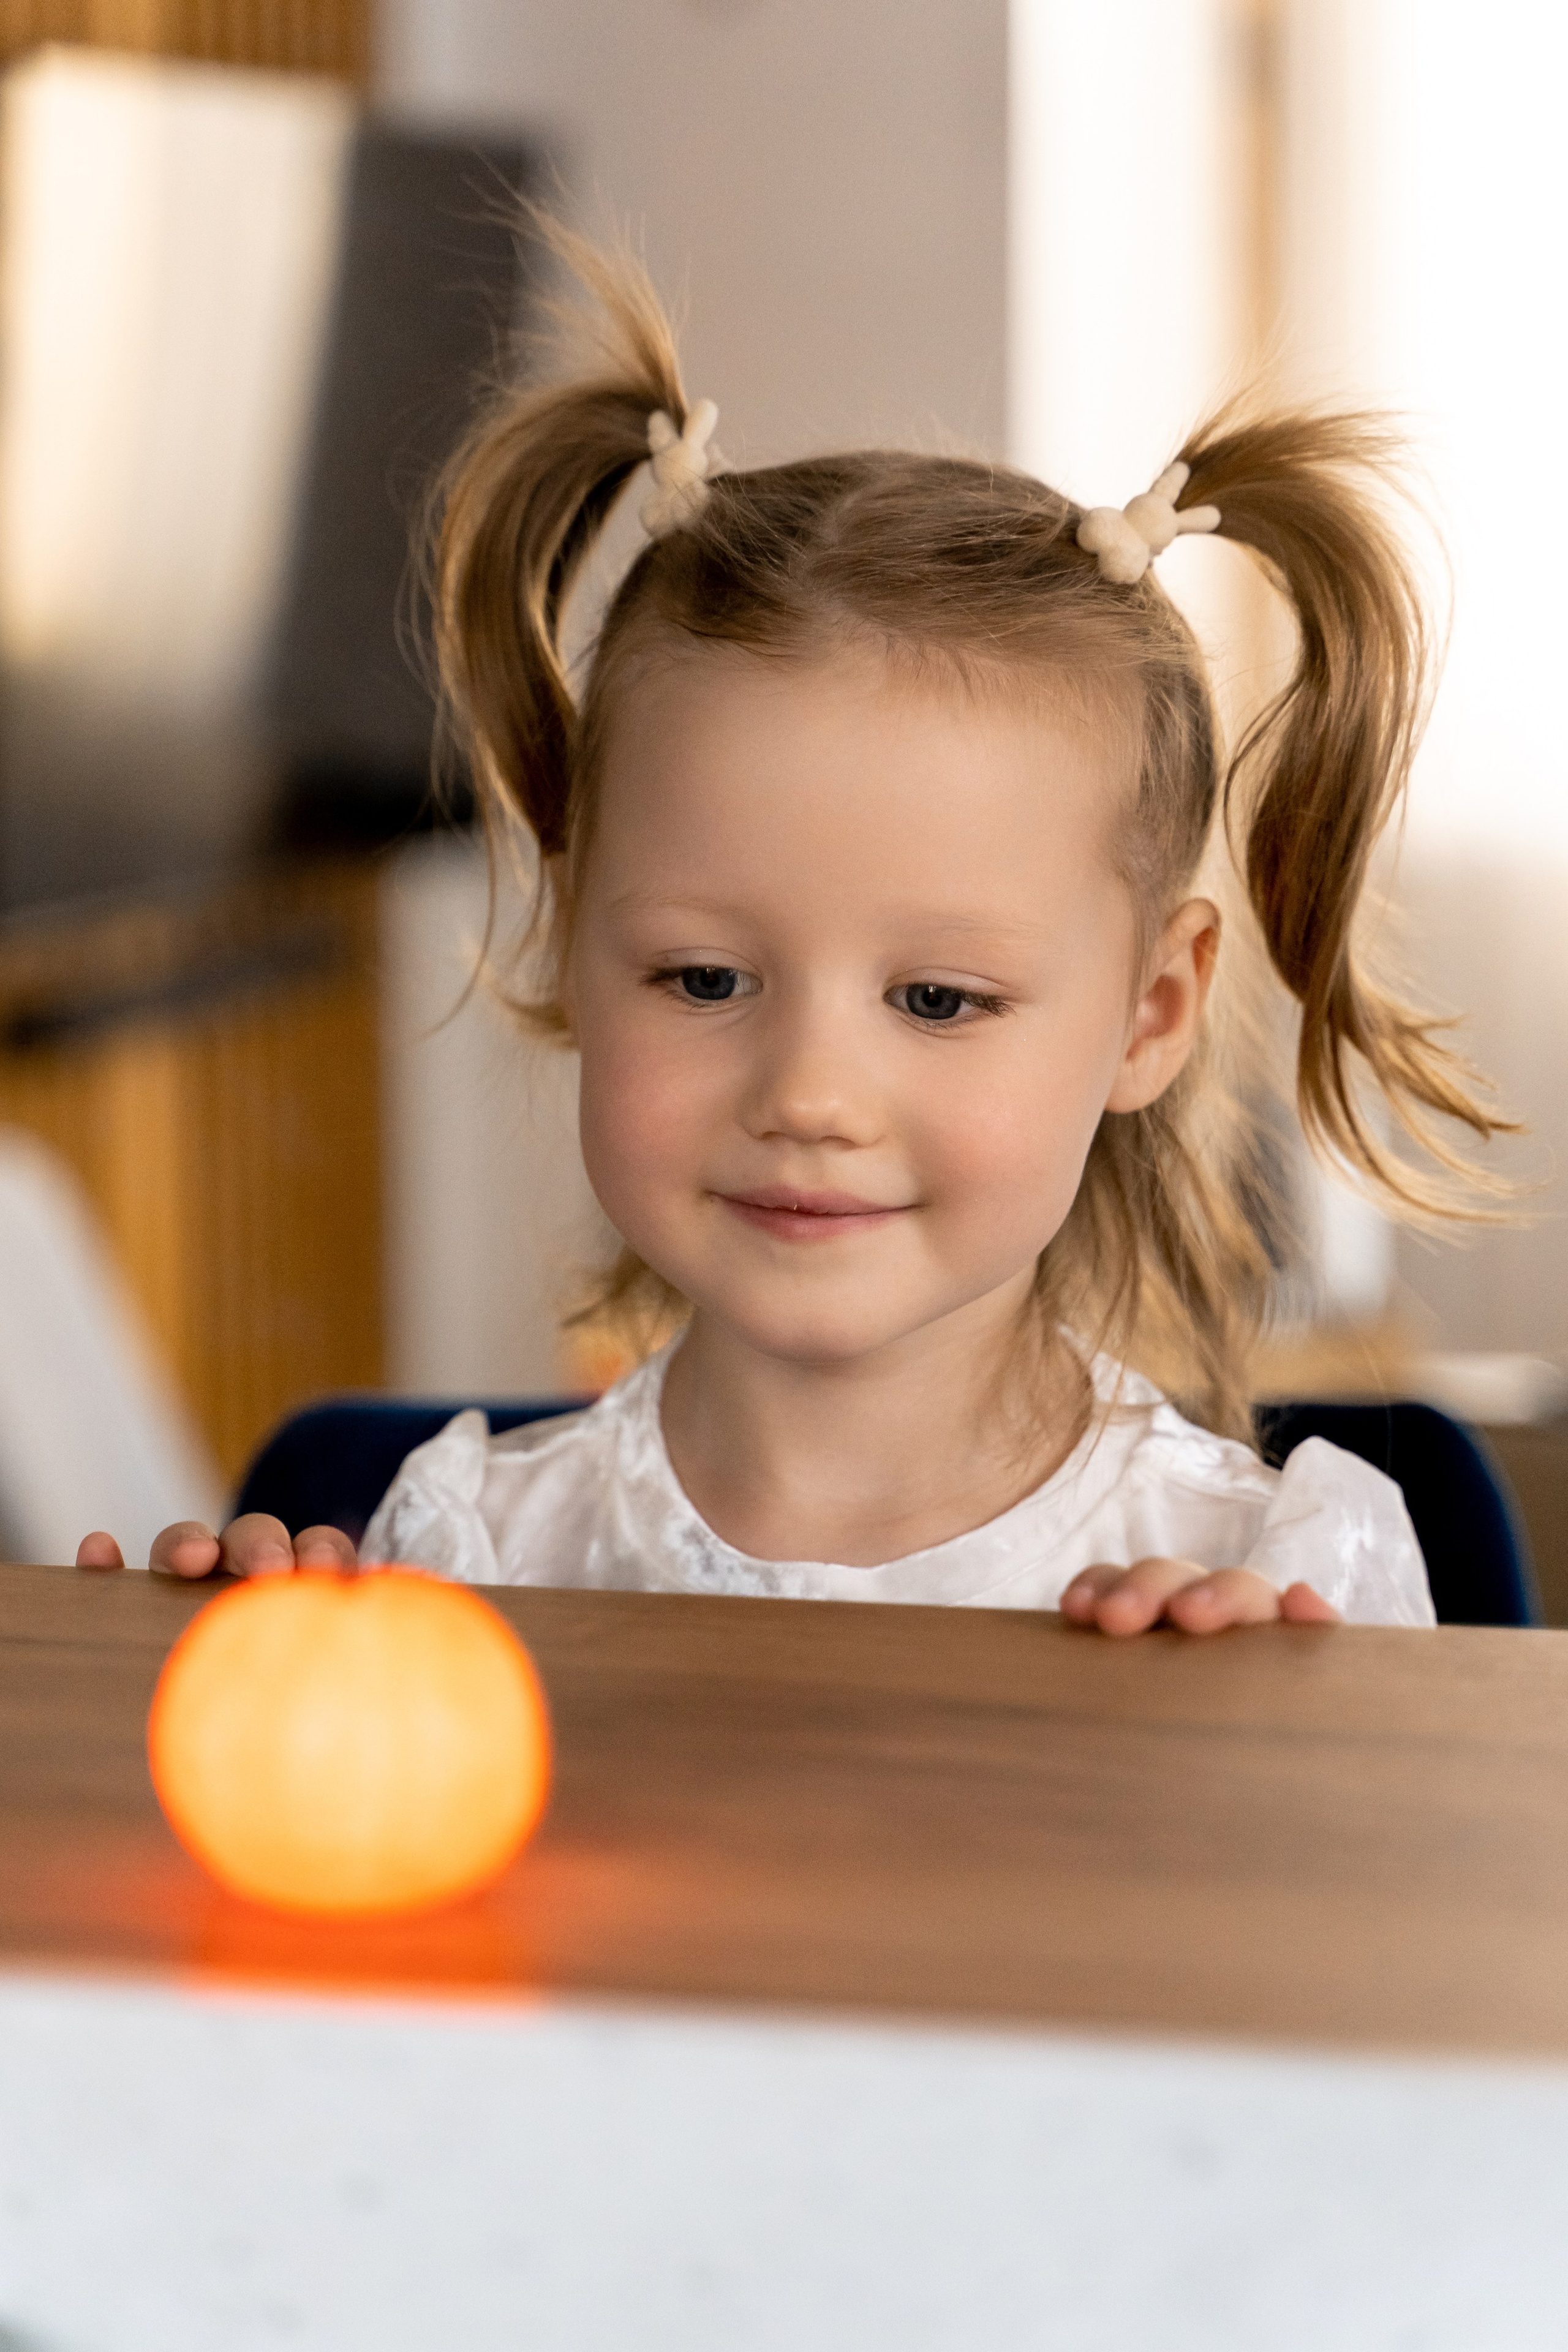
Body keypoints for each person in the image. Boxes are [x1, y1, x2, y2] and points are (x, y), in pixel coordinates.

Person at [79, 228, 1506, 1632]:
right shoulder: (462, 1554)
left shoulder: (1283, 1567)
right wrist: (247, 1674)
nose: (807, 1097)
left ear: (1149, 1013)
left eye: (938, 1000)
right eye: (704, 977)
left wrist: (1245, 1759)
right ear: (574, 945)